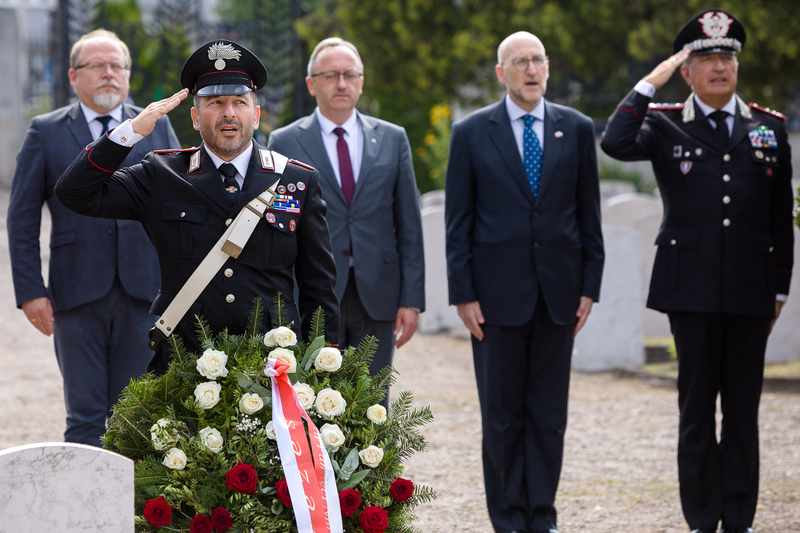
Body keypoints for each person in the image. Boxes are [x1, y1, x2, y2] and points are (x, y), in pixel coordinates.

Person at [600, 9, 793, 533]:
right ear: (687, 71)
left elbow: (780, 221)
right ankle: (702, 518)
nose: (719, 68)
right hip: (691, 292)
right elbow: (614, 141)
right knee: (695, 414)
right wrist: (650, 80)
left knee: (743, 414)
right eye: (706, 59)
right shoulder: (663, 123)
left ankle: (740, 517)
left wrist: (779, 293)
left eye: (726, 57)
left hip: (752, 292)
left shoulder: (768, 129)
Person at [55, 39, 339, 376]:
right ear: (195, 116)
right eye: (215, 102)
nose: (229, 113)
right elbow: (74, 192)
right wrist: (131, 132)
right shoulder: (160, 175)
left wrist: (322, 369)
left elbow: (319, 289)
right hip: (185, 365)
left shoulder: (297, 180)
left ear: (256, 114)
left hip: (274, 366)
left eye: (239, 102)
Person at [445, 31, 604, 533]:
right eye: (520, 62)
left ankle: (543, 515)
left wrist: (590, 286)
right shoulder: (471, 133)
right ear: (502, 73)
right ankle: (509, 517)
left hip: (559, 295)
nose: (531, 70)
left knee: (548, 415)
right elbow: (458, 222)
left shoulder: (575, 128)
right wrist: (463, 293)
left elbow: (588, 215)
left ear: (548, 67)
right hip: (494, 299)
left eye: (538, 61)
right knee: (502, 416)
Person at [7, 29, 180, 447]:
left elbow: (179, 207)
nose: (108, 74)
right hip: (76, 293)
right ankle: (82, 511)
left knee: (138, 417)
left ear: (127, 73)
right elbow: (22, 217)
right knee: (84, 418)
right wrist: (30, 290)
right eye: (97, 66)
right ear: (73, 76)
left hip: (146, 294)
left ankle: (135, 513)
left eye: (117, 66)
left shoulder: (156, 125)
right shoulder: (45, 131)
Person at [267, 37, 424, 384]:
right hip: (311, 293)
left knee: (372, 400)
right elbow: (279, 229)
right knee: (316, 398)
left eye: (350, 75)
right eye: (330, 75)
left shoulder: (392, 138)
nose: (342, 83)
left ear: (361, 82)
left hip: (379, 292)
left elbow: (409, 224)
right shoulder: (284, 141)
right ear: (311, 84)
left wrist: (412, 300)